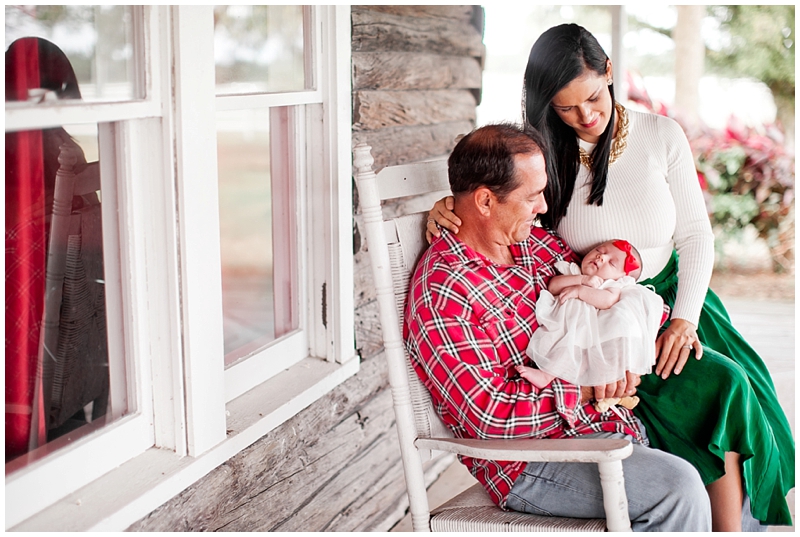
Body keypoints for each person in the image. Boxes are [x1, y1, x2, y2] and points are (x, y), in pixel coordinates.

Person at [426, 23, 794, 531]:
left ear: (610, 74)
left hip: (672, 302)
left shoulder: (660, 135)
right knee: (675, 421)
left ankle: (733, 527)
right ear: (546, 104)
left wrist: (684, 319)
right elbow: (496, 195)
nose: (586, 116)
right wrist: (449, 206)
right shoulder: (544, 154)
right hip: (594, 320)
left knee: (727, 390)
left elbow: (695, 235)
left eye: (594, 97)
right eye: (566, 107)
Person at [404, 122, 712, 531]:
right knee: (679, 487)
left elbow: (605, 283)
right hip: (527, 460)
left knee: (705, 439)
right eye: (532, 196)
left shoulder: (532, 244)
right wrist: (586, 388)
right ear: (484, 201)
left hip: (600, 425)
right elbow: (490, 419)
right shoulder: (446, 289)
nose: (544, 208)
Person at [518, 239, 664, 417]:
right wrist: (583, 280)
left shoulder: (612, 286)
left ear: (622, 278)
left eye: (611, 262)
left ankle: (547, 376)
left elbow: (607, 300)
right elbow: (554, 286)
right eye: (599, 250)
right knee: (553, 341)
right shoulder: (573, 271)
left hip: (583, 329)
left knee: (572, 351)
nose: (601, 256)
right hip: (563, 320)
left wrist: (580, 291)